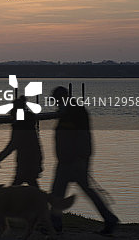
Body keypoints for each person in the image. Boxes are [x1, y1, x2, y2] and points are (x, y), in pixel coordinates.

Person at [50, 86, 119, 235]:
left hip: (73, 161)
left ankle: (54, 223)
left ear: (61, 98)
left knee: (58, 192)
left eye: (56, 100)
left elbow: (83, 137)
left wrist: (81, 158)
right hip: (66, 160)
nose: (56, 103)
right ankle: (109, 219)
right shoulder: (68, 112)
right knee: (67, 191)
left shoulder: (75, 112)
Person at [0, 95, 43, 188]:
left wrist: (1, 156)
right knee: (32, 186)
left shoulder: (20, 125)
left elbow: (14, 144)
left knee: (15, 189)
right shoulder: (28, 123)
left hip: (25, 163)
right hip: (31, 161)